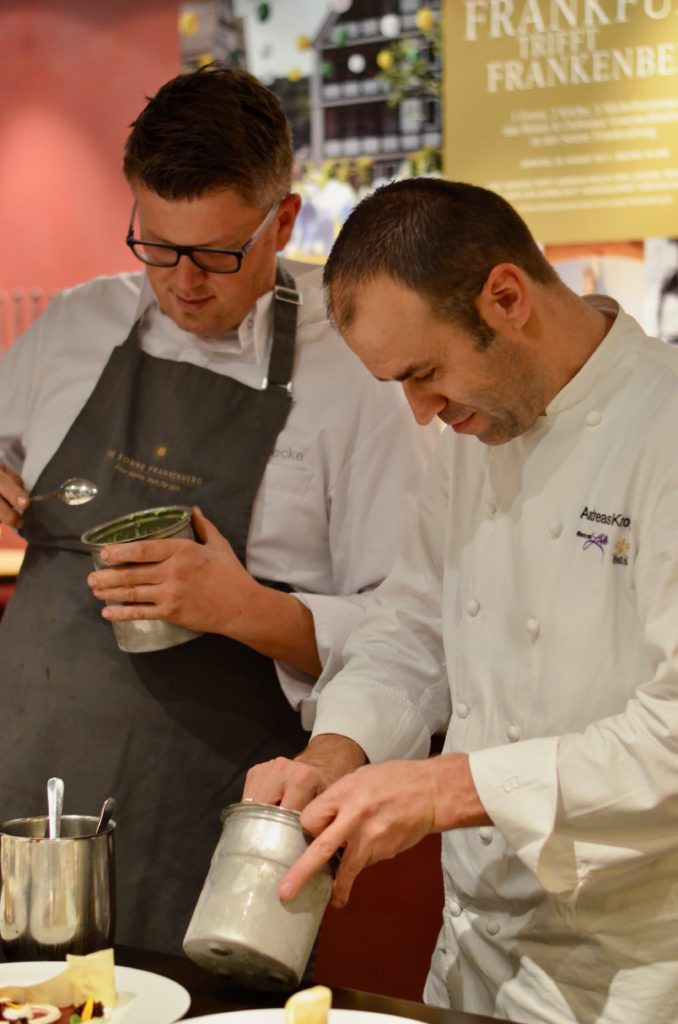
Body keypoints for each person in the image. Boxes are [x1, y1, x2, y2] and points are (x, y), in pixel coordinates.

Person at [0, 69, 438, 953]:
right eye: (156, 247)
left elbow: (410, 633)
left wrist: (246, 611)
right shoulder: (78, 325)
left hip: (207, 816)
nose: (182, 282)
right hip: (25, 775)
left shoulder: (353, 373)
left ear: (284, 220)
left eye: (217, 253)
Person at [244, 178, 678, 1023]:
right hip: (476, 944)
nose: (420, 411)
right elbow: (412, 621)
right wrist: (336, 752)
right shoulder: (473, 426)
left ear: (507, 297)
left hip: (638, 961)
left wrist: (446, 790)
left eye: (427, 373)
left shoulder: (663, 430)